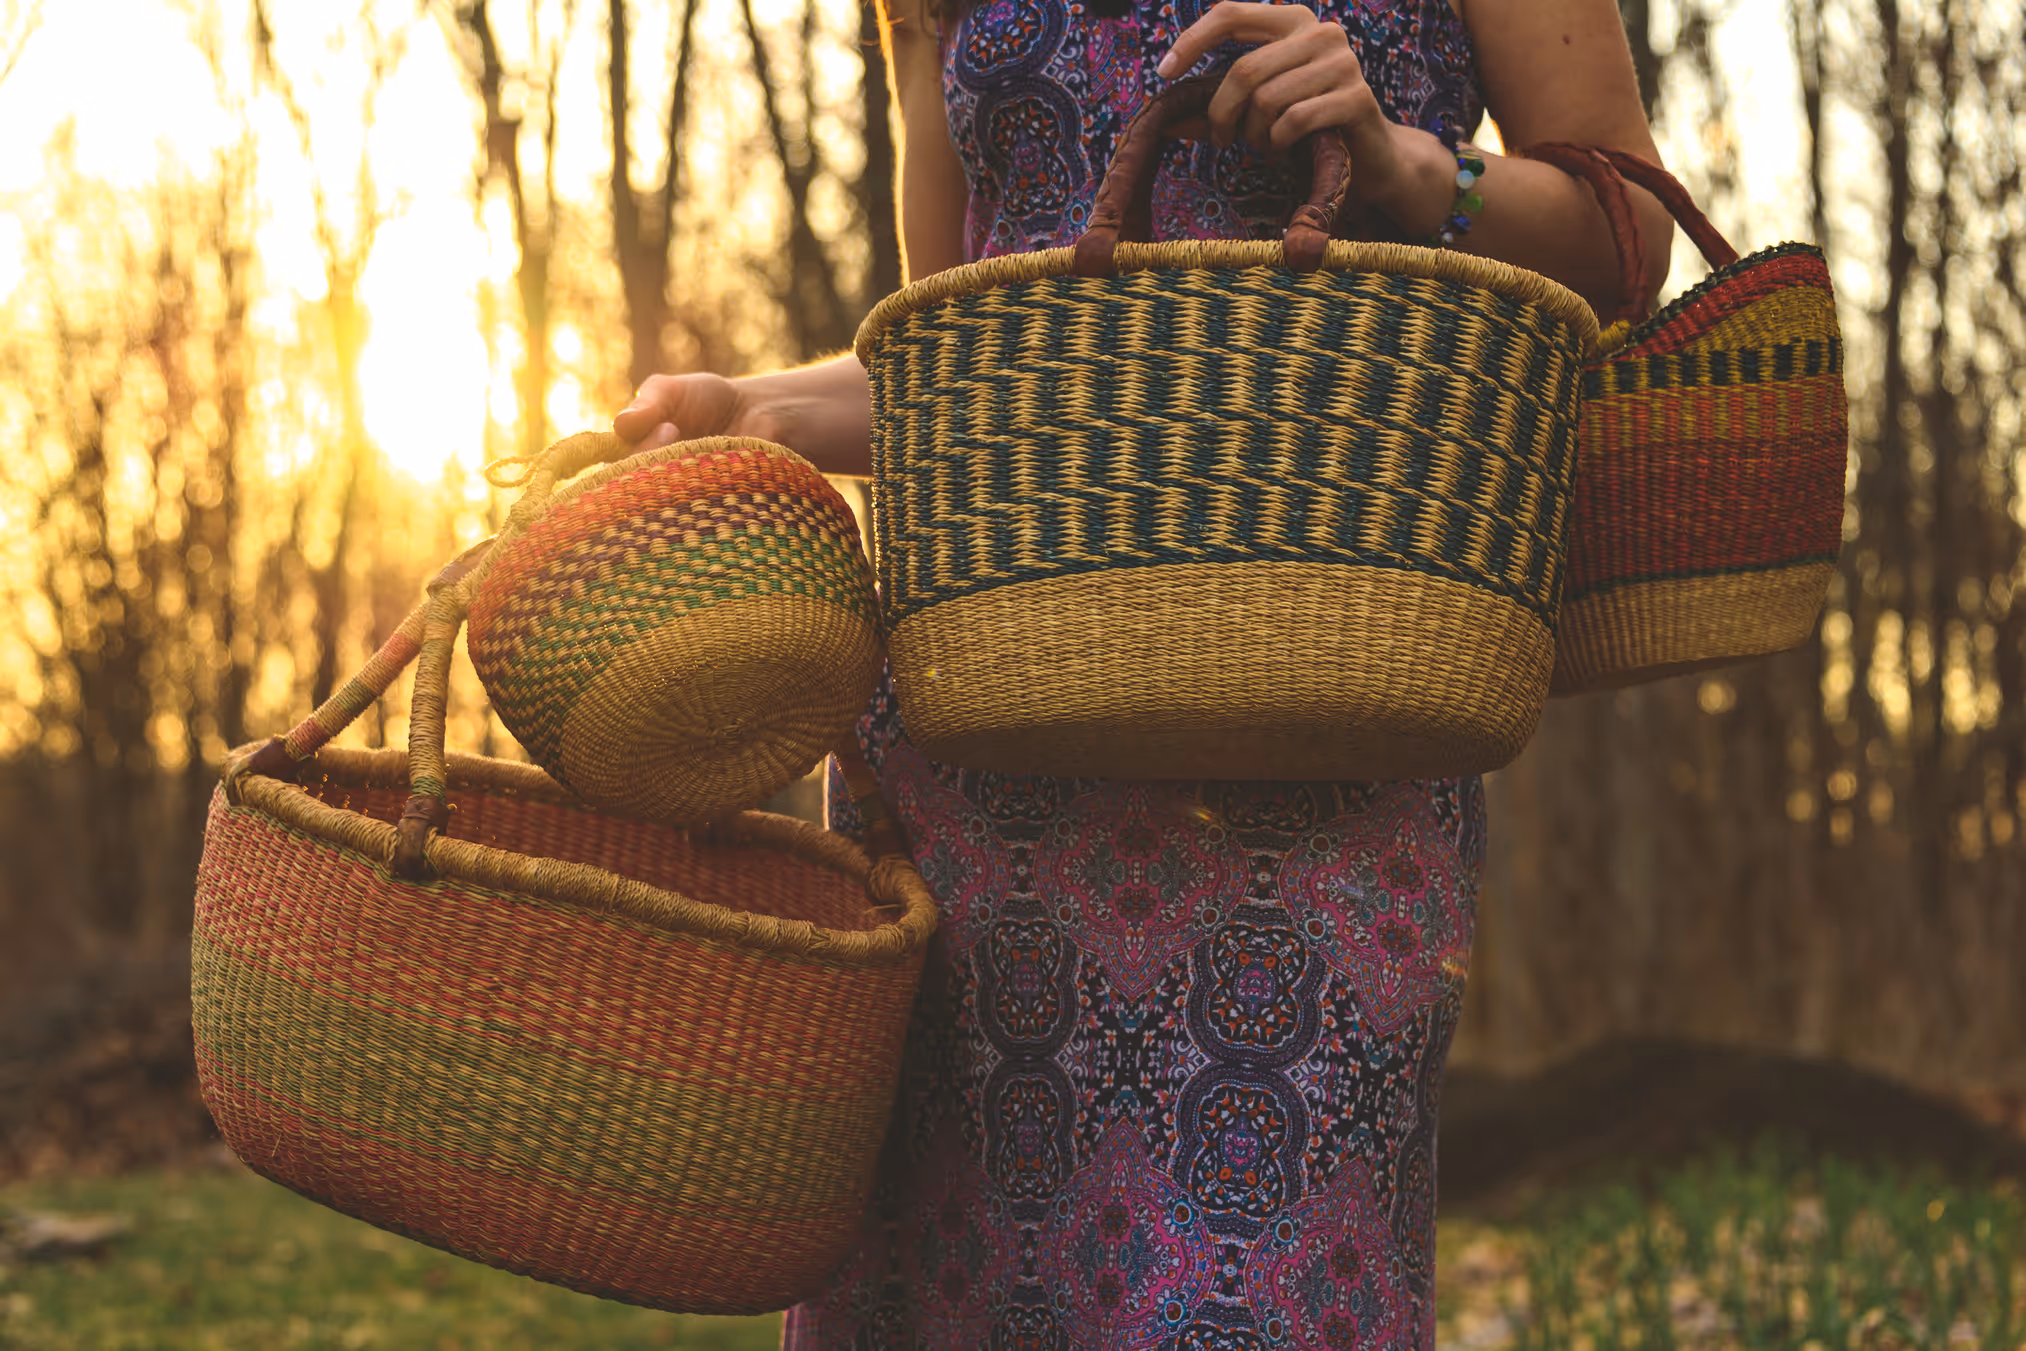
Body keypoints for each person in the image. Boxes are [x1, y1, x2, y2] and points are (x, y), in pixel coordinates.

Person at [616, 0, 1673, 1344]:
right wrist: (755, 407)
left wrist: (1410, 168)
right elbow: (963, 350)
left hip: (1313, 737)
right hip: (977, 753)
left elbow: (1625, 246)